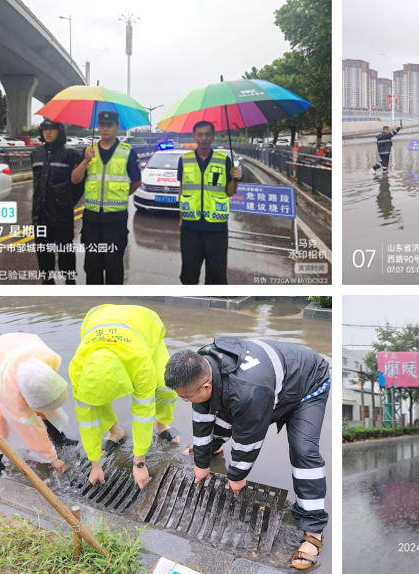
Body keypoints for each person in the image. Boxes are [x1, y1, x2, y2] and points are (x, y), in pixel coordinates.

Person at [164, 337, 330, 570]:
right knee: (221, 407)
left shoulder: (248, 391)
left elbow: (249, 440)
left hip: (307, 385)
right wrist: (201, 462)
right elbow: (202, 413)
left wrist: (236, 476)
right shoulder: (203, 364)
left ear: (205, 386)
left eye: (185, 397)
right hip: (266, 386)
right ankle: (214, 446)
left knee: (304, 451)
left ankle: (313, 529)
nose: (184, 401)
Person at [68, 304, 179, 490]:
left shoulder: (141, 366)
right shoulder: (77, 372)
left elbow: (143, 413)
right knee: (96, 397)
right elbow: (87, 421)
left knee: (165, 385)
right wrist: (95, 464)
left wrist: (140, 463)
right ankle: (115, 431)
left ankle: (162, 423)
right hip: (97, 319)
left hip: (145, 324)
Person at [0, 333, 78, 476]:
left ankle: (59, 439)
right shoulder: (10, 392)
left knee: (45, 401)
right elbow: (30, 428)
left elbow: (47, 397)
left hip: (3, 354)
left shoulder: (48, 359)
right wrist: (52, 459)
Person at [71, 111, 141, 284]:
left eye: (109, 125)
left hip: (115, 220)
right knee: (92, 267)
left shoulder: (127, 152)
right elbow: (75, 179)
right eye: (102, 125)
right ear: (98, 127)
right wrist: (86, 161)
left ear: (117, 127)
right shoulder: (89, 151)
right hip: (91, 220)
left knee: (114, 266)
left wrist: (119, 195)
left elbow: (136, 182)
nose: (105, 128)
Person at [177, 121, 242, 285]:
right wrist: (180, 215)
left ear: (213, 136)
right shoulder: (184, 160)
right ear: (194, 136)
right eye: (200, 134)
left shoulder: (224, 160)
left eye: (207, 134)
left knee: (217, 275)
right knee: (189, 273)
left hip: (216, 227)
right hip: (190, 227)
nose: (204, 138)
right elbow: (182, 188)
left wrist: (235, 178)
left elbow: (230, 192)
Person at [31, 119, 83, 285]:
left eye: (52, 129)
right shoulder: (36, 153)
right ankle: (48, 285)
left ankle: (70, 285)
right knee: (43, 254)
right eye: (45, 129)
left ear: (59, 131)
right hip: (40, 215)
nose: (48, 132)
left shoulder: (71, 154)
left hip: (62, 215)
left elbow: (79, 183)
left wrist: (68, 201)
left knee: (65, 253)